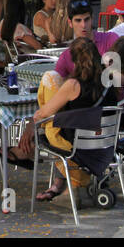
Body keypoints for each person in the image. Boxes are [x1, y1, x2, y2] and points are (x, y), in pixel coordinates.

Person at [8, 37, 104, 203]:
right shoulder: (107, 83)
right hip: (103, 144)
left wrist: (33, 124)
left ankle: (28, 150)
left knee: (49, 78)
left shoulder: (73, 85)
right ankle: (29, 150)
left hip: (76, 145)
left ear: (74, 62)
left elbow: (44, 113)